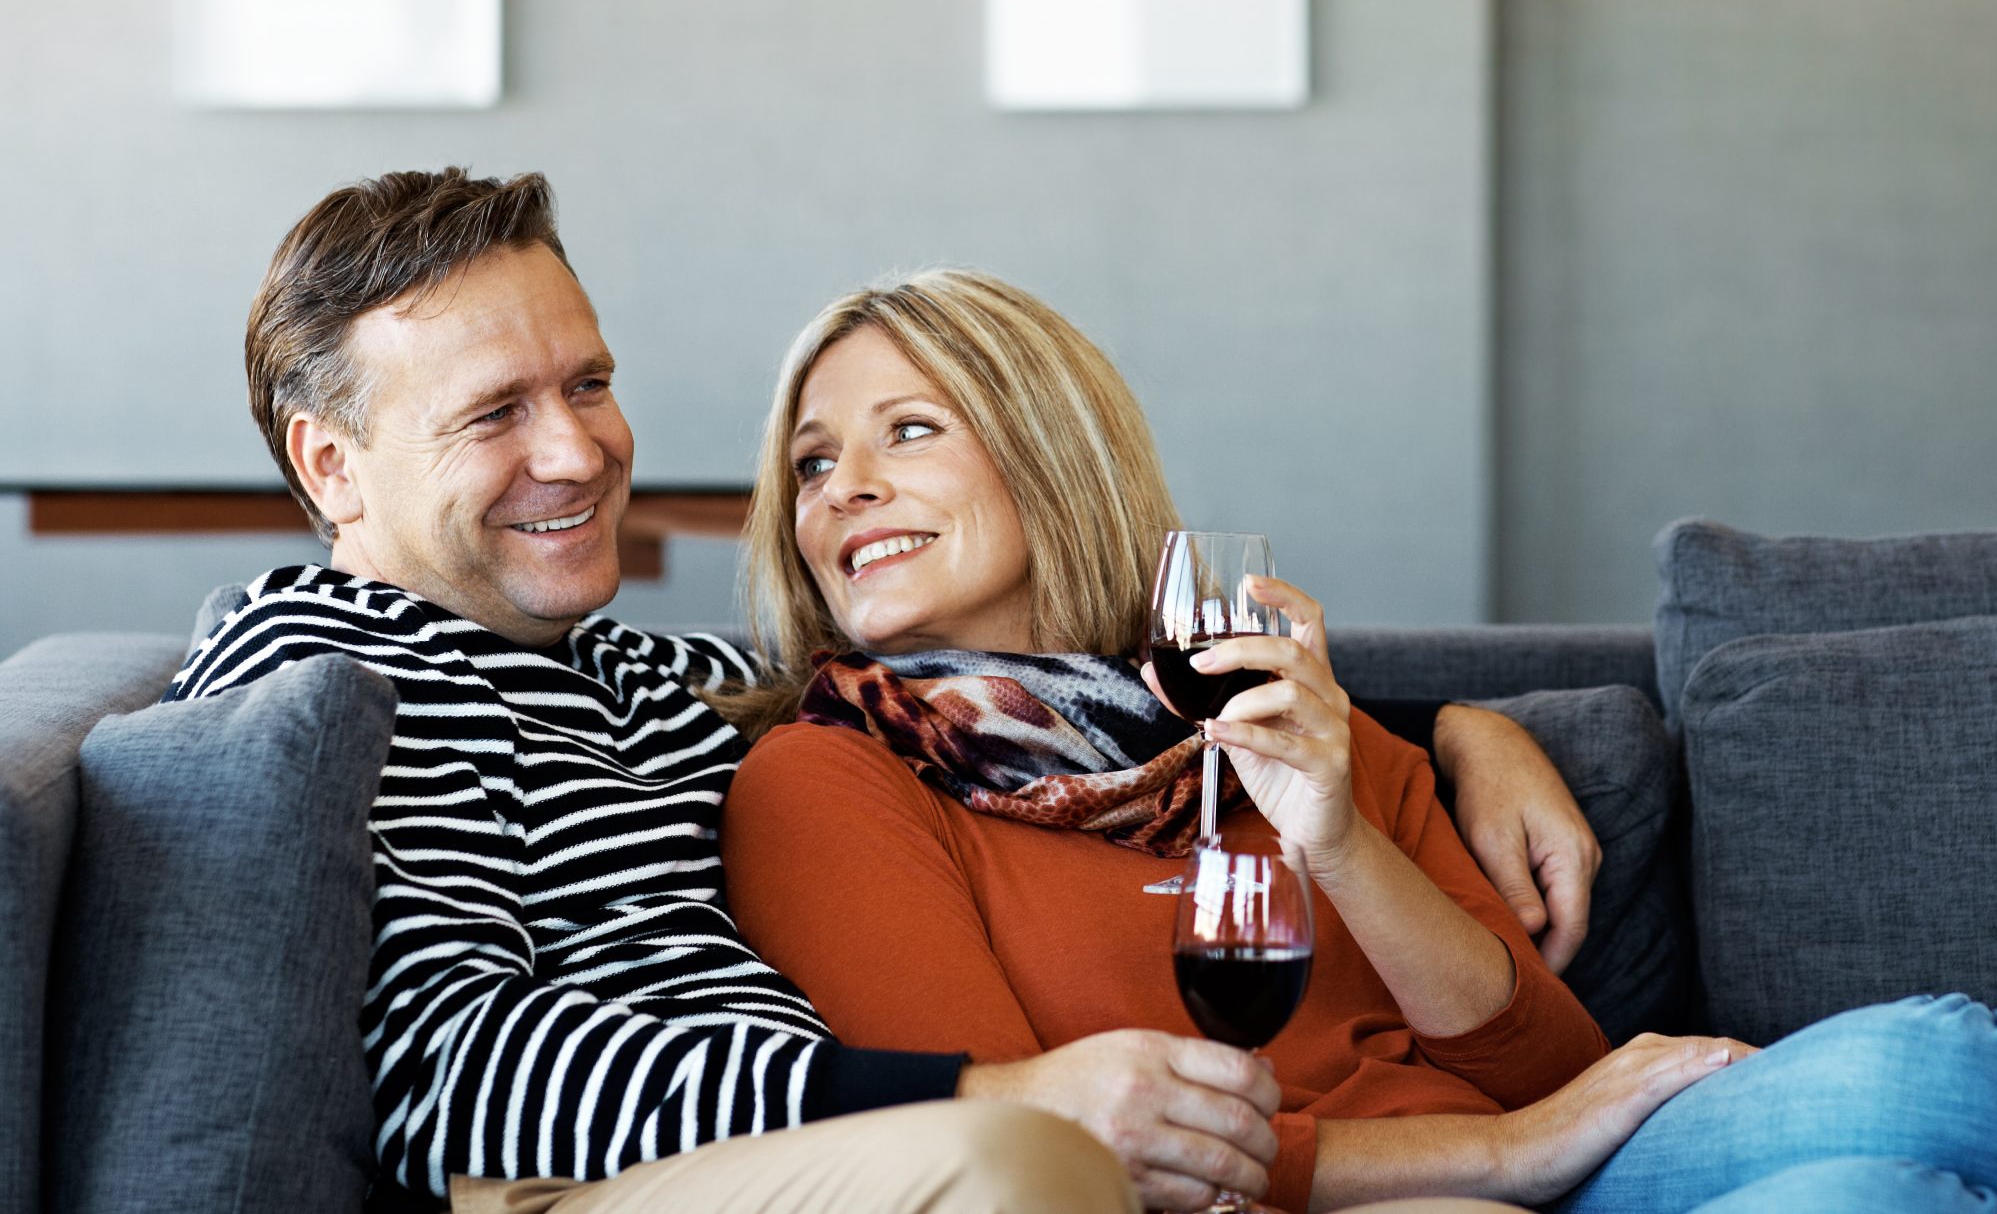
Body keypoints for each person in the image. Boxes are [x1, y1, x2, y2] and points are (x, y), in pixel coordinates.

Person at [167, 169, 1598, 1214]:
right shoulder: (323, 680)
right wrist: (978, 1095)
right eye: (495, 412)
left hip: (818, 1153)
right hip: (569, 1190)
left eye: (587, 383)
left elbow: (964, 696)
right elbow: (460, 1082)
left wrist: (1476, 732)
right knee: (1028, 1162)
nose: (581, 451)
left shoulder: (643, 676)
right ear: (331, 467)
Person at [719, 270, 1997, 1214]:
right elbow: (1040, 1158)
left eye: (905, 430)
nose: (841, 485)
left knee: (1873, 1183)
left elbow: (1541, 1057)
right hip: (1458, 1190)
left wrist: (1339, 822)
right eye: (809, 461)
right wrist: (1525, 1152)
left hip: (1541, 1182)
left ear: (1050, 449)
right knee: (1914, 1080)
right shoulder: (833, 780)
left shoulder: (1282, 716)